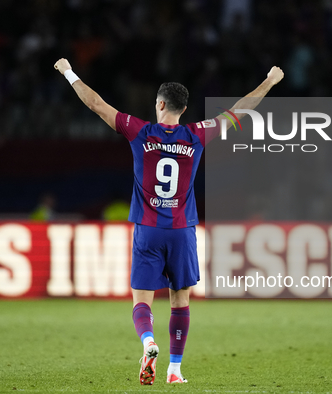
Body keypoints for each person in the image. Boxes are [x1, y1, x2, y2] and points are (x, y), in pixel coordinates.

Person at [54, 57, 284, 385]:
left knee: (141, 299)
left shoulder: (139, 131)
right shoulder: (198, 134)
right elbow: (241, 109)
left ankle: (148, 343)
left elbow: (96, 104)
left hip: (148, 230)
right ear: (184, 109)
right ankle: (174, 371)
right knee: (181, 299)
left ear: (160, 104)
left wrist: (68, 71)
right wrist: (269, 82)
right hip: (182, 230)